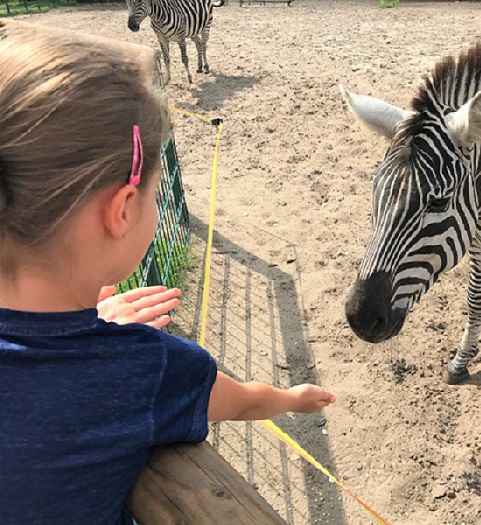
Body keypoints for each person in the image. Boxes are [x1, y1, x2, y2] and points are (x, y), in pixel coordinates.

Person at [0, 24, 335, 525]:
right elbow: (242, 403)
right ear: (121, 210)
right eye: (156, 196)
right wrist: (293, 398)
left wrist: (86, 322)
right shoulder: (140, 368)